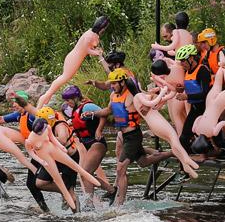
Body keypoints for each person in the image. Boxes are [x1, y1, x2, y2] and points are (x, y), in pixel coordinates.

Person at [92, 69, 171, 205]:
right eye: (111, 84)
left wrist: (147, 108)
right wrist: (93, 113)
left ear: (123, 82)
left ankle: (119, 203)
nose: (112, 86)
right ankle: (172, 152)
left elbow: (150, 97)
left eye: (115, 84)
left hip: (134, 135)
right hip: (125, 135)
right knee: (143, 162)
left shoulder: (132, 96)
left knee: (120, 168)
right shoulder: (113, 96)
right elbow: (108, 110)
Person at [36, 16, 109, 109]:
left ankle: (46, 99)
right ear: (102, 27)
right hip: (74, 59)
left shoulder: (92, 33)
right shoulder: (89, 35)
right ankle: (43, 100)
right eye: (105, 28)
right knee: (63, 78)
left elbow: (88, 48)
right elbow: (86, 49)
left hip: (75, 58)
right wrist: (97, 52)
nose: (104, 30)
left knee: (62, 79)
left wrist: (96, 51)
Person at [63, 85, 113, 205]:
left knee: (85, 173)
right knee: (86, 173)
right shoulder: (75, 111)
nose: (67, 103)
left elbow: (104, 114)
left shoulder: (87, 106)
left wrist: (99, 130)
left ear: (75, 98)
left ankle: (89, 203)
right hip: (88, 144)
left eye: (68, 100)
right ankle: (111, 190)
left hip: (97, 143)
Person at [176, 44, 213, 150]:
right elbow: (192, 87)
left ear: (191, 58)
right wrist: (181, 89)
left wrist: (186, 97)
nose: (182, 64)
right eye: (180, 61)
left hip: (206, 109)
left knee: (218, 140)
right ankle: (188, 162)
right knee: (183, 138)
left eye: (183, 60)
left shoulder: (202, 71)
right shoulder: (186, 71)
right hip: (195, 108)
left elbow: (205, 93)